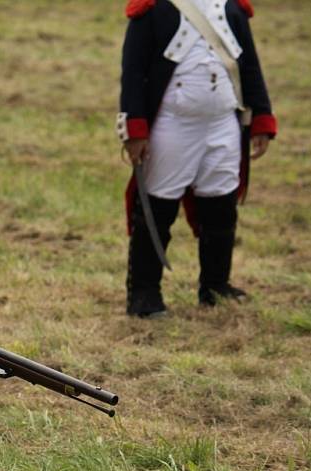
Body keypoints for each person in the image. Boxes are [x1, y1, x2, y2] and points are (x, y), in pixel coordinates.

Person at [116, 0, 277, 317]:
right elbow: (133, 70)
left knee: (221, 206)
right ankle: (144, 295)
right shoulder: (154, 8)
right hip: (172, 122)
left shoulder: (232, 8)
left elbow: (249, 66)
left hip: (223, 122)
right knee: (157, 209)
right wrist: (135, 128)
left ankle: (215, 286)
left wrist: (262, 118)